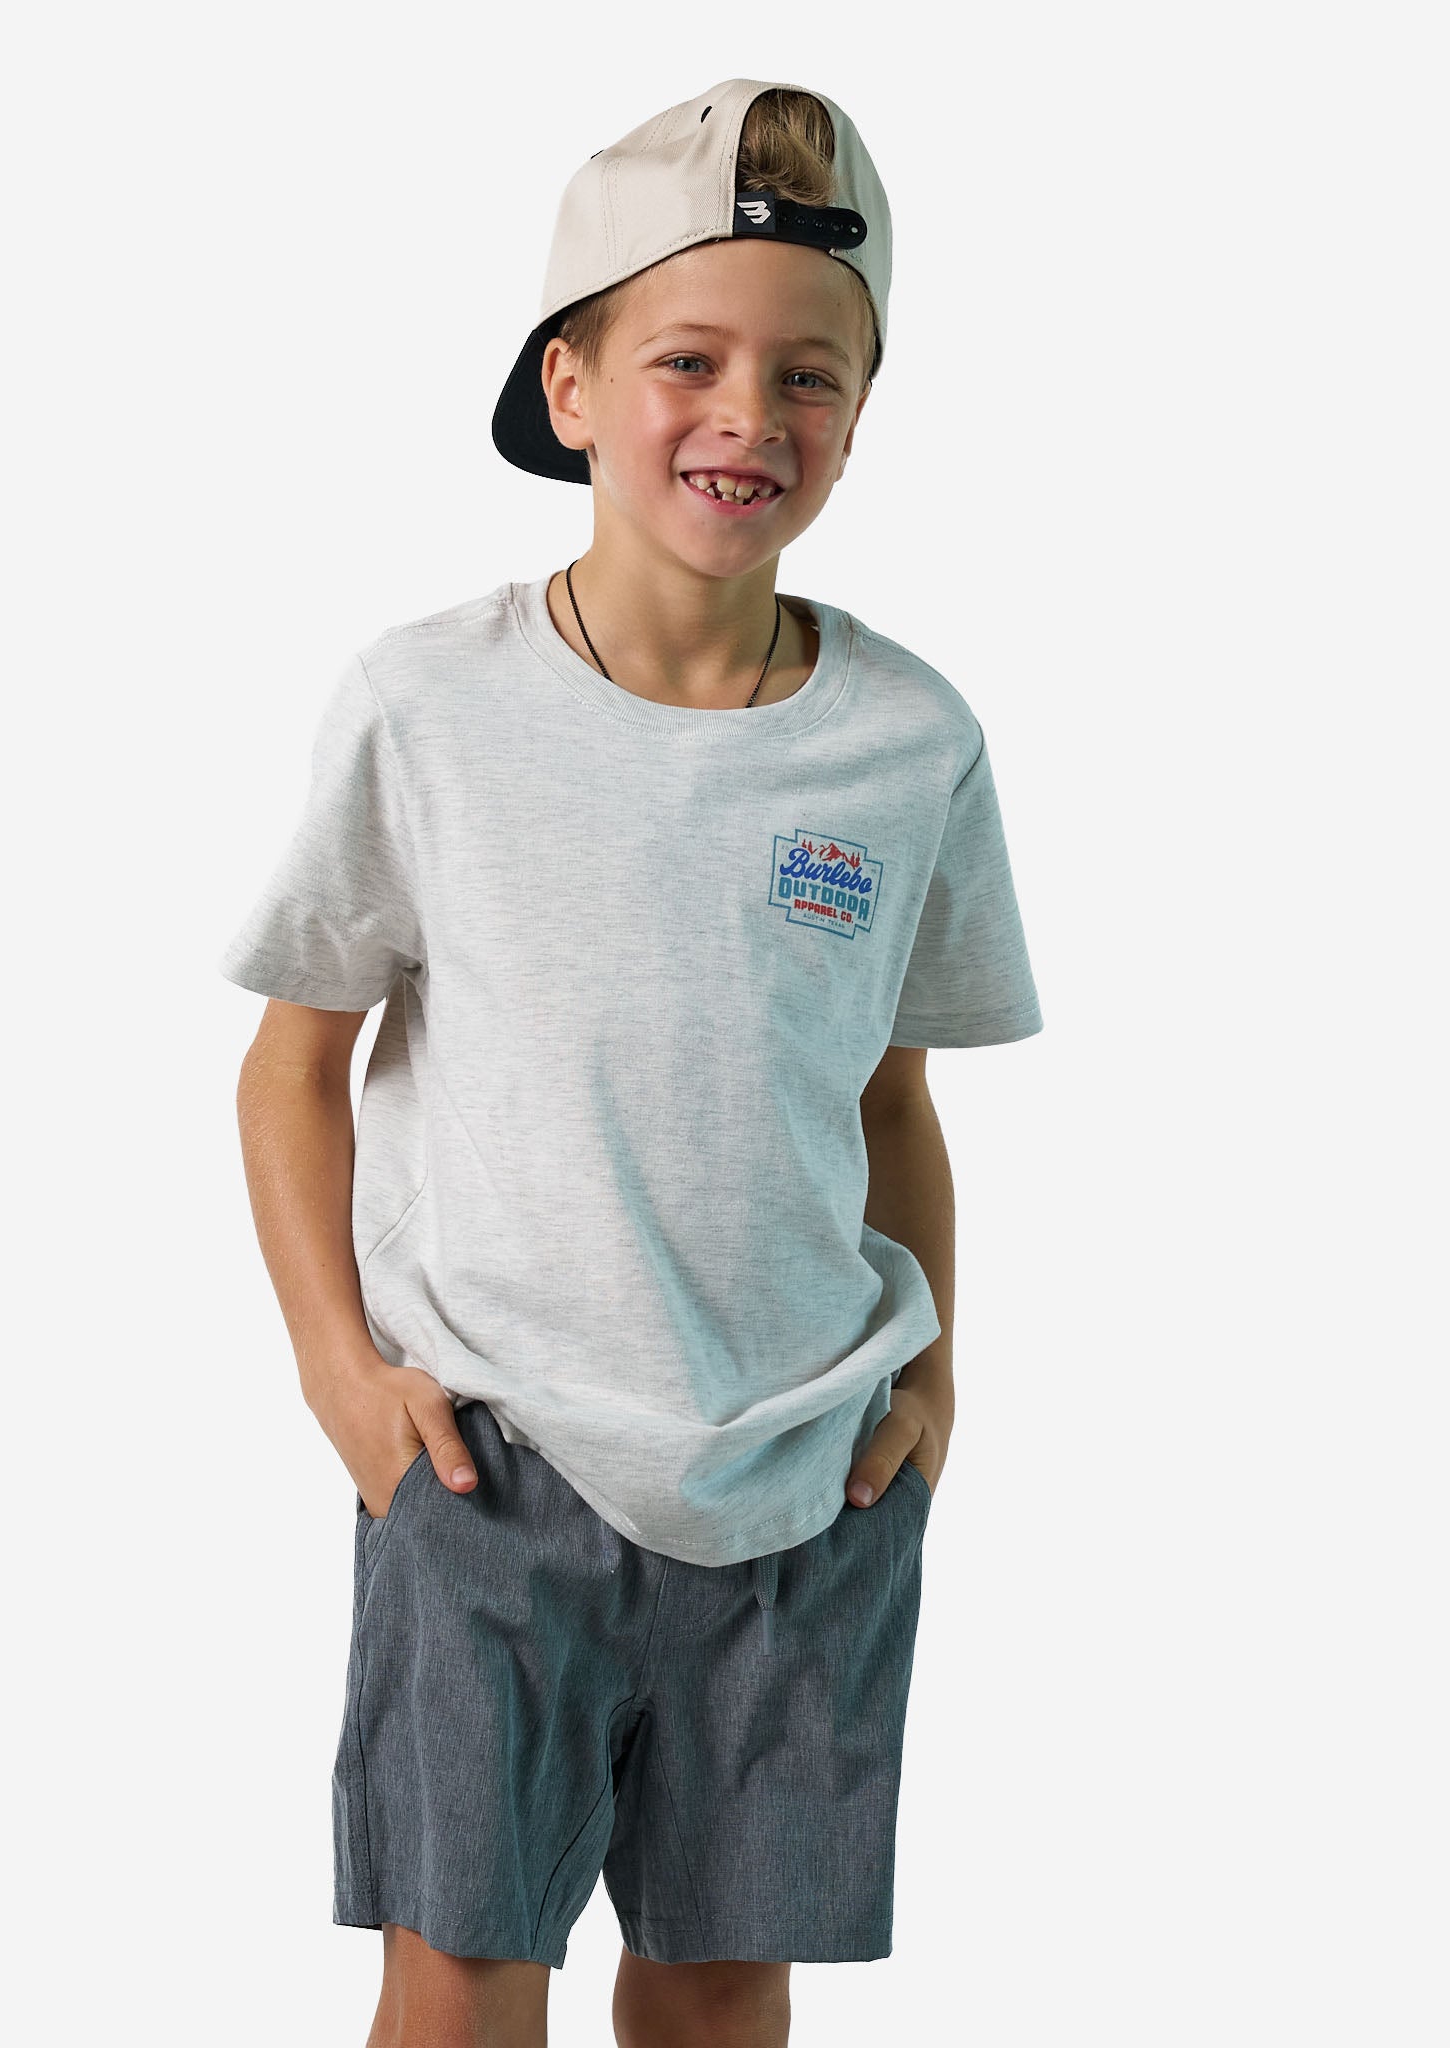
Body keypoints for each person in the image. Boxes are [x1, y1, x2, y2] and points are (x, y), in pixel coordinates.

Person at [220, 76, 1044, 2048]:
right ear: (571, 387)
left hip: (806, 1476)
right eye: (690, 360)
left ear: (862, 411)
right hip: (488, 1460)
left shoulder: (909, 744)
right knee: (457, 1976)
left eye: (811, 374)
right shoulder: (428, 707)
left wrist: (931, 1386)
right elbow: (292, 1063)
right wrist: (342, 1376)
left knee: (723, 1981)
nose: (751, 414)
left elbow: (892, 1101)